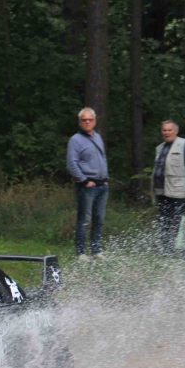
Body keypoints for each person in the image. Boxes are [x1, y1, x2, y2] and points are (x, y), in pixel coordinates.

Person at [66, 107, 109, 261]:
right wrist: (84, 180)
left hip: (102, 185)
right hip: (87, 186)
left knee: (99, 219)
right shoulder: (75, 140)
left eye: (90, 120)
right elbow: (72, 164)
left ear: (95, 121)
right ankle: (81, 252)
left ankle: (96, 250)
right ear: (80, 122)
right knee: (84, 220)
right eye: (84, 120)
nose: (87, 122)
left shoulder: (98, 137)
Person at [153, 120, 185, 254]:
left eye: (169, 130)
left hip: (179, 191)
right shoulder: (160, 147)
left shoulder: (184, 145)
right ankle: (166, 248)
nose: (166, 133)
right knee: (164, 220)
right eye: (164, 130)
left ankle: (180, 248)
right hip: (162, 191)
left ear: (176, 131)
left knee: (178, 221)